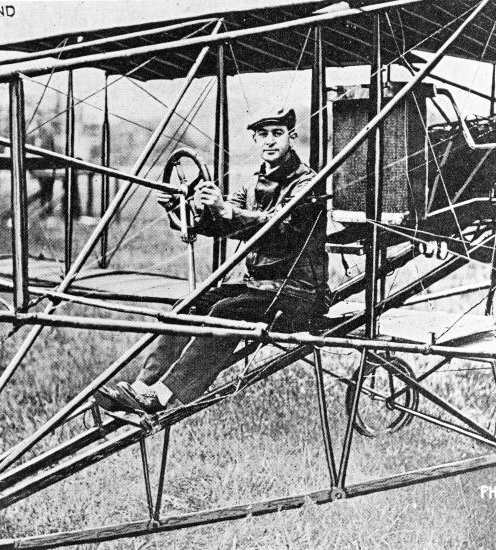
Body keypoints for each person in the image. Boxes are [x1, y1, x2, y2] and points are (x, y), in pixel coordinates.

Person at [96, 108, 329, 414]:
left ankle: (163, 396)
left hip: (300, 293)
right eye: (263, 134)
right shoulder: (253, 186)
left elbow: (281, 224)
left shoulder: (307, 184)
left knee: (224, 311)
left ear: (292, 137)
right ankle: (141, 387)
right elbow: (222, 223)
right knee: (191, 303)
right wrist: (191, 212)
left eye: (277, 134)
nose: (270, 141)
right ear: (256, 140)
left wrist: (229, 212)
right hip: (259, 288)